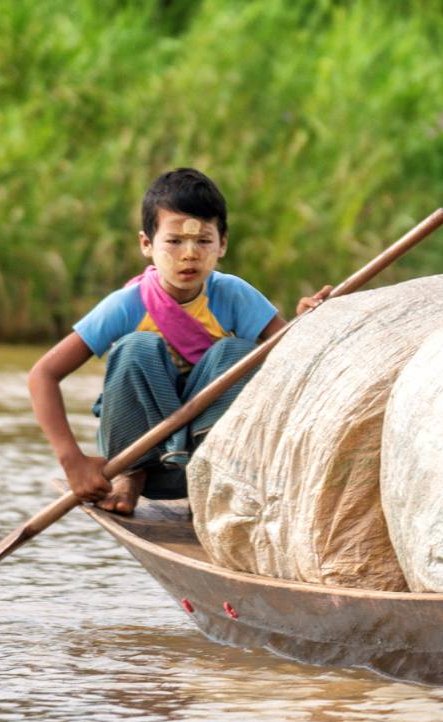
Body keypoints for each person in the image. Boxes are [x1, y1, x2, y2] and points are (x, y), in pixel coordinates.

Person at [26, 168, 329, 515]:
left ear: (223, 244)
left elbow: (295, 356)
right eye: (174, 241)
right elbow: (42, 375)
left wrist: (309, 323)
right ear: (146, 244)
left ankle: (215, 484)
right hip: (137, 459)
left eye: (203, 241)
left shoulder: (233, 295)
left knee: (238, 353)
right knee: (136, 348)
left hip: (209, 464)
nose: (189, 255)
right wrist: (72, 461)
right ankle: (132, 476)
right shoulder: (128, 304)